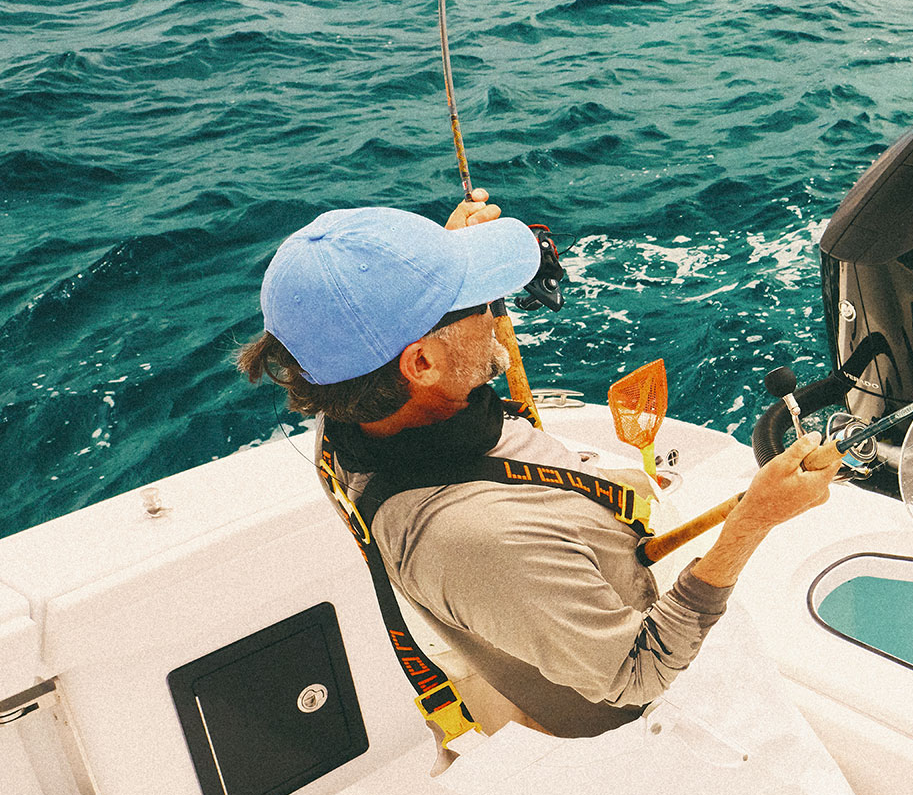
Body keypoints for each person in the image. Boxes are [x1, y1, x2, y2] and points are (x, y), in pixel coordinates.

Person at [236, 190, 842, 738]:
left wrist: (437, 264)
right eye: (479, 301)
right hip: (643, 708)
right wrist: (756, 519)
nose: (498, 311)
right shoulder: (477, 538)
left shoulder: (349, 399)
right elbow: (639, 675)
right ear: (420, 365)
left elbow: (390, 339)